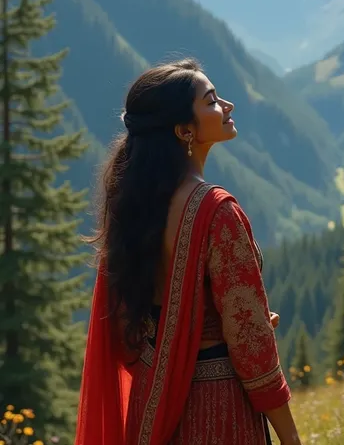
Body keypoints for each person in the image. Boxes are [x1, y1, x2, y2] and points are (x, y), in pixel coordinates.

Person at [75, 58, 302, 445]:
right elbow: (252, 346)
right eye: (212, 100)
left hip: (153, 401)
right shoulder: (218, 213)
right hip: (217, 409)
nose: (227, 106)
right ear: (184, 130)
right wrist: (290, 437)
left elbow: (142, 314)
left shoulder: (135, 203)